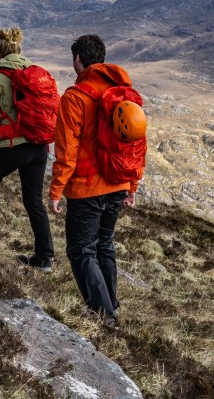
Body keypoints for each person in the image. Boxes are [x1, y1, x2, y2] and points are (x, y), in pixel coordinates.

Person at [48, 34, 142, 329]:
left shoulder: (75, 97)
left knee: (81, 250)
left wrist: (56, 189)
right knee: (105, 244)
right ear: (101, 58)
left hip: (87, 188)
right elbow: (138, 144)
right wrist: (132, 185)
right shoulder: (123, 95)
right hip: (117, 183)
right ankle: (110, 303)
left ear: (78, 59)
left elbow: (67, 149)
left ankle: (104, 314)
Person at [0, 29, 54, 272]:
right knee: (34, 200)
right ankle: (44, 257)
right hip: (39, 146)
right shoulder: (33, 73)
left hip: (12, 146)